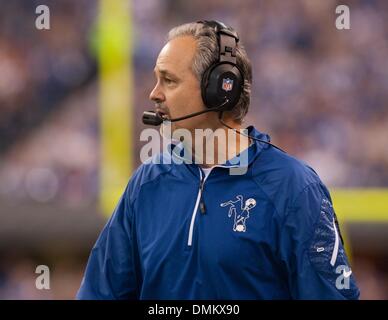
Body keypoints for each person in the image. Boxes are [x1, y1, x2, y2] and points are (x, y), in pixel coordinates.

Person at [77, 20, 360, 299]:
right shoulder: (146, 184)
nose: (155, 94)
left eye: (169, 80)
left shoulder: (293, 188)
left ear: (220, 90)